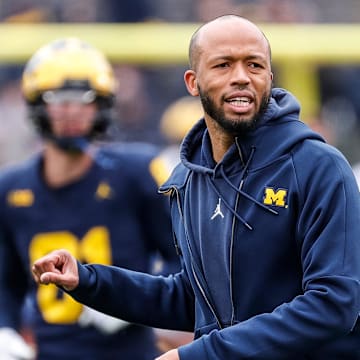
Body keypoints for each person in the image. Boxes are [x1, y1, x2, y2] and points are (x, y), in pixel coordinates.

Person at [32, 15, 360, 359]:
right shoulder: (188, 181)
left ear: (269, 77)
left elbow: (334, 304)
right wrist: (88, 281)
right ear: (193, 82)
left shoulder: (320, 167)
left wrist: (195, 355)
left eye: (254, 65)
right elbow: (194, 298)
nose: (241, 77)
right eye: (223, 65)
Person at [0, 37, 180, 360]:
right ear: (38, 104)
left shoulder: (135, 173)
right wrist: (4, 329)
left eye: (84, 100)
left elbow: (185, 255)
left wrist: (131, 299)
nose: (72, 111)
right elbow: (5, 282)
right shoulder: (10, 189)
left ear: (102, 105)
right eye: (59, 99)